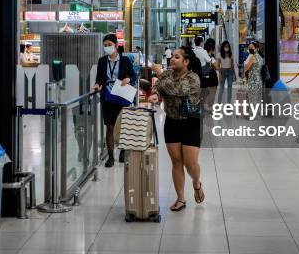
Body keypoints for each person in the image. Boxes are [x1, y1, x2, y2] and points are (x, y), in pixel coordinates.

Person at [149, 47, 204, 212]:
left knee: (190, 162)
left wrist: (160, 74)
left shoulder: (193, 78)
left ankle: (196, 182)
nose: (172, 59)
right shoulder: (168, 76)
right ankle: (181, 198)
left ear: (186, 62)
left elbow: (179, 90)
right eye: (172, 56)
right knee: (176, 162)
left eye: (177, 57)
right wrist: (155, 95)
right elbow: (158, 88)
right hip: (171, 122)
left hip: (191, 123)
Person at [93, 34, 136, 167]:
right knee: (110, 127)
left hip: (122, 96)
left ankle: (123, 150)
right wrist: (96, 85)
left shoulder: (125, 60)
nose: (107, 47)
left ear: (116, 45)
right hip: (107, 97)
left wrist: (129, 79)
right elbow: (99, 78)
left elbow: (134, 76)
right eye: (105, 46)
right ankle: (111, 157)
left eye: (109, 45)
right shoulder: (101, 61)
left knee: (122, 126)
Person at [244, 41, 264, 106]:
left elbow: (246, 68)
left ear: (256, 48)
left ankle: (253, 115)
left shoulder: (252, 57)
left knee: (252, 100)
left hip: (253, 81)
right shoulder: (261, 57)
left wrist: (246, 61)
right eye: (249, 47)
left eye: (251, 47)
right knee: (258, 99)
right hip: (259, 80)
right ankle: (257, 114)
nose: (250, 49)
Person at [203, 38, 218, 111]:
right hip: (212, 76)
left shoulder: (202, 55)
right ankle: (209, 106)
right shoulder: (211, 57)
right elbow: (217, 66)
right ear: (212, 48)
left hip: (204, 76)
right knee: (212, 91)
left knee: (206, 92)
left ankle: (205, 105)